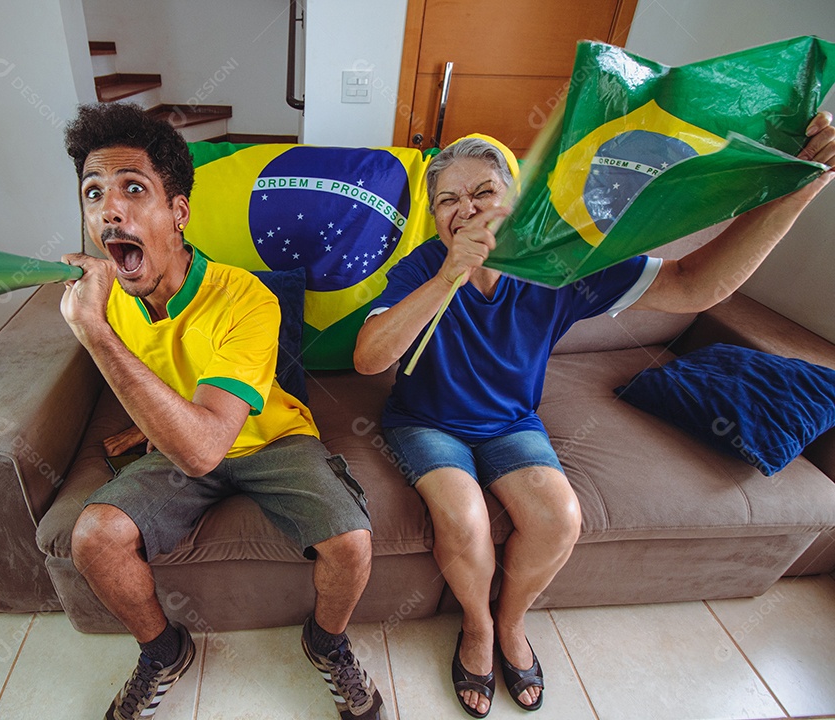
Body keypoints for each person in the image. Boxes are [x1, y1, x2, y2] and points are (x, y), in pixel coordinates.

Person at [353, 114, 834, 717]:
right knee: (465, 519)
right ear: (434, 217)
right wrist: (449, 275)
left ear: (515, 203)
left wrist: (801, 187)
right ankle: (475, 627)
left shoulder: (557, 263)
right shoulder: (423, 266)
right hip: (424, 422)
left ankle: (510, 624)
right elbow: (370, 359)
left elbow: (693, 285)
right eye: (448, 199)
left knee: (559, 518)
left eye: (484, 192)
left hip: (511, 422)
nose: (466, 208)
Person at [59, 102, 383, 720]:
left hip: (267, 440)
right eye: (94, 192)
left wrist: (96, 337)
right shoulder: (107, 298)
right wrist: (106, 339)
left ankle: (327, 643)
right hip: (174, 441)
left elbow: (207, 446)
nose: (110, 209)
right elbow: (174, 414)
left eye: (134, 188)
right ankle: (163, 652)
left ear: (177, 213)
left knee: (352, 541)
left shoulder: (246, 298)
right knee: (93, 539)